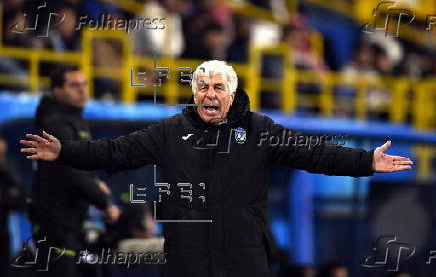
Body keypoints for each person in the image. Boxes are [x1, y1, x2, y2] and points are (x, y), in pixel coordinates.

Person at [20, 60, 413, 277]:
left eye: (218, 87)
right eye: (203, 87)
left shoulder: (259, 130)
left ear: (233, 93)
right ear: (194, 94)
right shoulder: (168, 132)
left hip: (245, 260)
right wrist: (65, 152)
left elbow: (314, 152)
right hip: (187, 261)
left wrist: (366, 161)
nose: (210, 94)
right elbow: (112, 152)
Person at [29, 65, 119, 277]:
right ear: (58, 91)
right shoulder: (55, 124)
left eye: (85, 85)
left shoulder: (73, 120)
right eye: (74, 86)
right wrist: (104, 202)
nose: (82, 91)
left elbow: (81, 164)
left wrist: (95, 181)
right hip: (55, 225)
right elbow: (72, 172)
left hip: (69, 222)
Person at [0, 136, 30, 277]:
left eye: (3, 154)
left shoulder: (5, 172)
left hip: (3, 232)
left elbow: (20, 195)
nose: (2, 158)